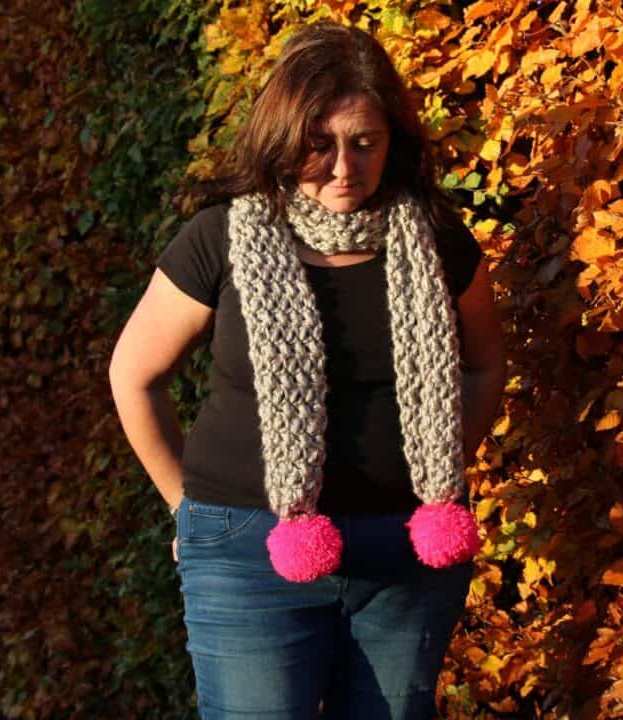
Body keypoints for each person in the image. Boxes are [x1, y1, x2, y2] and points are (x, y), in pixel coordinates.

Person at [109, 20, 505, 720]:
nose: (343, 168)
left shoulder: (438, 241)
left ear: (392, 141)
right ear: (284, 140)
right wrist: (185, 509)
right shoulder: (220, 238)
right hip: (246, 552)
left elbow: (484, 365)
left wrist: (443, 465)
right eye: (319, 145)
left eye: (364, 143)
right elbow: (135, 375)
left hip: (406, 555)